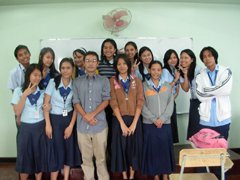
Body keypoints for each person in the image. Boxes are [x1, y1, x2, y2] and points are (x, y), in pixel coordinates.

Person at [73, 51, 110, 180]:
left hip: (99, 125)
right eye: (87, 60)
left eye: (93, 60)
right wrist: (86, 116)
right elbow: (76, 102)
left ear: (97, 63)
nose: (90, 63)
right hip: (82, 127)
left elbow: (106, 100)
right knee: (86, 159)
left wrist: (92, 114)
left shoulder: (104, 80)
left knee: (101, 159)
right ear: (83, 63)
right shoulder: (77, 81)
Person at [44, 58, 80, 180]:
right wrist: (48, 125)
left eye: (68, 68)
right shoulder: (53, 82)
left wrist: (70, 126)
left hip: (69, 119)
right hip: (54, 120)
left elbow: (76, 107)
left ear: (72, 69)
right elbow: (46, 104)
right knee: (55, 149)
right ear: (60, 69)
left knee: (68, 149)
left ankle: (65, 178)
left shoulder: (75, 84)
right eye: (63, 68)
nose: (65, 70)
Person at [110, 54, 144, 180]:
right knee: (121, 149)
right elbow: (113, 102)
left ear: (129, 66)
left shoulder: (136, 81)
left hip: (135, 120)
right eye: (119, 64)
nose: (122, 66)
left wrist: (134, 123)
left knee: (133, 149)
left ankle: (131, 176)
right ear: (116, 66)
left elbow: (140, 101)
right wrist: (122, 124)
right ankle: (124, 176)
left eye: (124, 64)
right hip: (119, 121)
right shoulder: (112, 81)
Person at [11, 64, 46, 180]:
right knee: (24, 157)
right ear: (28, 75)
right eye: (35, 75)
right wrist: (24, 95)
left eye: (40, 75)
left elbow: (44, 109)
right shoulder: (18, 90)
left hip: (40, 127)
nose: (37, 78)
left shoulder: (42, 92)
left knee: (39, 156)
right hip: (25, 128)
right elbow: (17, 112)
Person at [141, 61, 175, 180]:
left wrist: (163, 118)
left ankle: (165, 175)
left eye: (158, 70)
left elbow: (170, 104)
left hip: (165, 124)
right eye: (153, 69)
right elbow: (141, 105)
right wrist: (154, 119)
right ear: (149, 70)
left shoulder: (167, 86)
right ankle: (155, 176)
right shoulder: (143, 86)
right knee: (153, 151)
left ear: (161, 71)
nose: (156, 72)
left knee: (164, 150)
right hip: (150, 124)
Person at [196, 46, 232, 140]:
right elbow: (200, 96)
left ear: (215, 57)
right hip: (206, 120)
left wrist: (207, 89)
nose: (207, 58)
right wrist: (219, 91)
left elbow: (226, 90)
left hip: (223, 119)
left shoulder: (226, 71)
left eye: (209, 55)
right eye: (204, 57)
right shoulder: (200, 75)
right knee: (207, 150)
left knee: (221, 150)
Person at [179, 49, 201, 139]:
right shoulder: (181, 71)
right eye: (181, 58)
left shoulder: (199, 70)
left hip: (202, 101)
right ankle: (195, 149)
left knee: (201, 128)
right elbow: (185, 89)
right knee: (194, 128)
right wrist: (185, 74)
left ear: (192, 59)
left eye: (186, 58)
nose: (183, 60)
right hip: (194, 102)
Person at [161, 49, 181, 143]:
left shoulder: (175, 70)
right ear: (166, 60)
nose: (173, 60)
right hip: (165, 103)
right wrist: (176, 78)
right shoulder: (165, 71)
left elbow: (175, 89)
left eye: (174, 57)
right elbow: (165, 88)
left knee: (172, 127)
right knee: (167, 127)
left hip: (171, 101)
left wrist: (175, 95)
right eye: (170, 58)